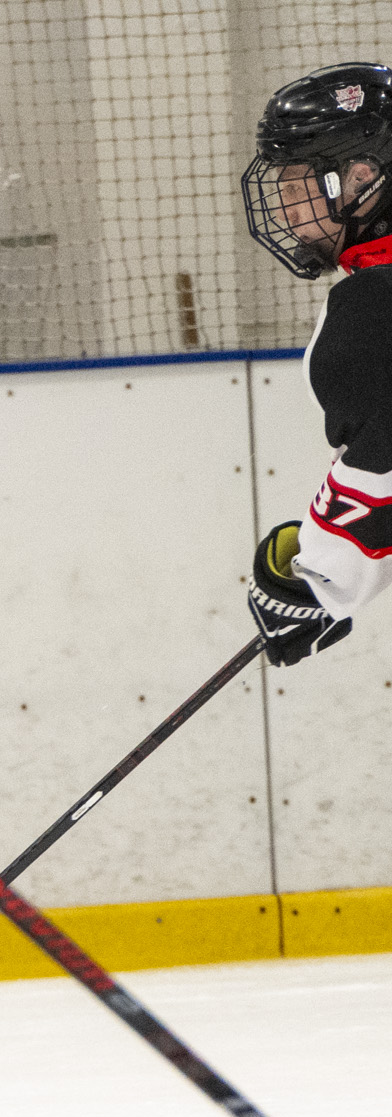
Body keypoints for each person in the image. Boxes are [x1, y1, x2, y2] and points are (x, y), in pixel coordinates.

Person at [241, 63, 392, 667]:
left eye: (297, 183)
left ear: (361, 178)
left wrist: (314, 579)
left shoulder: (370, 311)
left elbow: (383, 465)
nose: (283, 203)